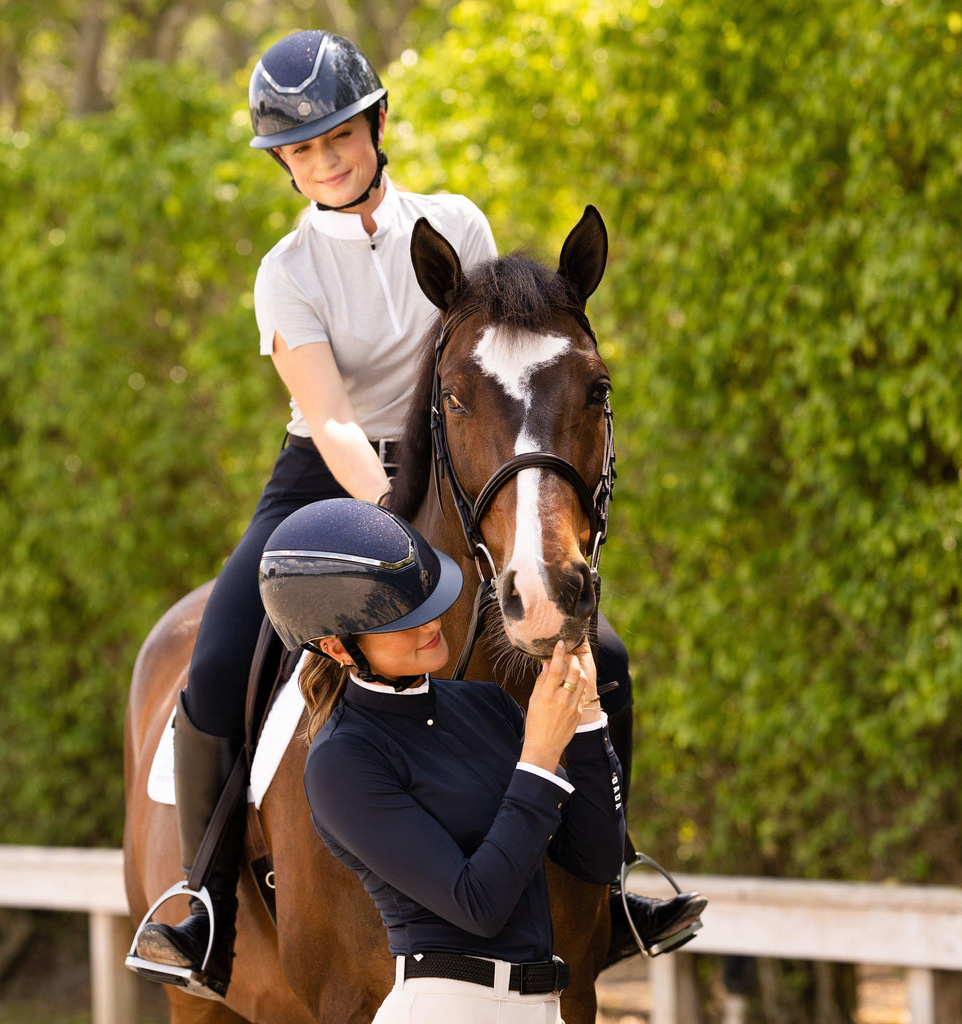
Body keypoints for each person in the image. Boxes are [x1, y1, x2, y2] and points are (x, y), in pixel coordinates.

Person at [129, 27, 702, 1001]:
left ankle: (616, 878)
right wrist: (389, 517)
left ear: (379, 122)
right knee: (219, 653)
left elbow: (500, 363)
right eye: (302, 150)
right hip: (326, 477)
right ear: (283, 164)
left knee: (596, 644)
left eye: (339, 136)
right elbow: (334, 419)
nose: (326, 160)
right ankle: (203, 898)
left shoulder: (455, 225)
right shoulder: (287, 272)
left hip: (463, 460)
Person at [259, 498, 623, 1023]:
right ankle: (207, 896)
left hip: (545, 1008)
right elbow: (478, 904)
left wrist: (585, 719)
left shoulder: (488, 705)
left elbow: (596, 860)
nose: (429, 622)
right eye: (399, 618)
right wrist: (540, 754)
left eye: (425, 601)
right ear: (337, 648)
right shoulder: (342, 760)